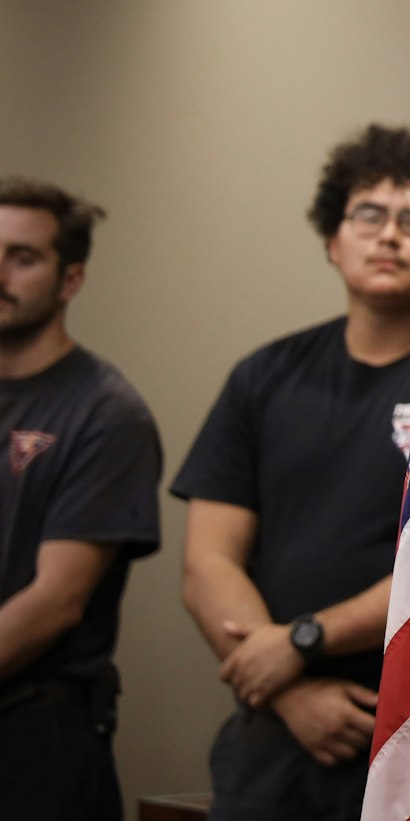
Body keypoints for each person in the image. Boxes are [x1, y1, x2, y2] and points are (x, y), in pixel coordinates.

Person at [172, 125, 410, 821]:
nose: (390, 235)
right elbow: (207, 562)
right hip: (271, 737)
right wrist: (288, 688)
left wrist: (303, 639)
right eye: (368, 215)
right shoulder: (264, 375)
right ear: (333, 238)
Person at [0, 177, 161, 821]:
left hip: (32, 737)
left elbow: (55, 602)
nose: (0, 271)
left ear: (70, 280)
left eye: (23, 256)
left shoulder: (106, 413)